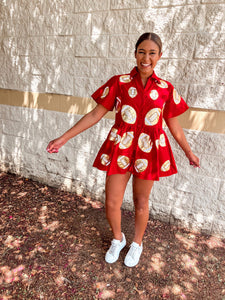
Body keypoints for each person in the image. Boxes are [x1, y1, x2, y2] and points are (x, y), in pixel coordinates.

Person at [47, 32, 200, 268]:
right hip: (121, 148)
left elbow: (174, 125)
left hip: (148, 151)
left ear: (160, 56)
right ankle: (118, 239)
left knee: (141, 202)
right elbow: (96, 114)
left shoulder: (166, 89)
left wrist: (189, 152)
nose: (146, 58)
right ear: (135, 53)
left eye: (152, 53)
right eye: (141, 52)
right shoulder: (119, 82)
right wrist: (63, 138)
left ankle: (137, 243)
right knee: (111, 202)